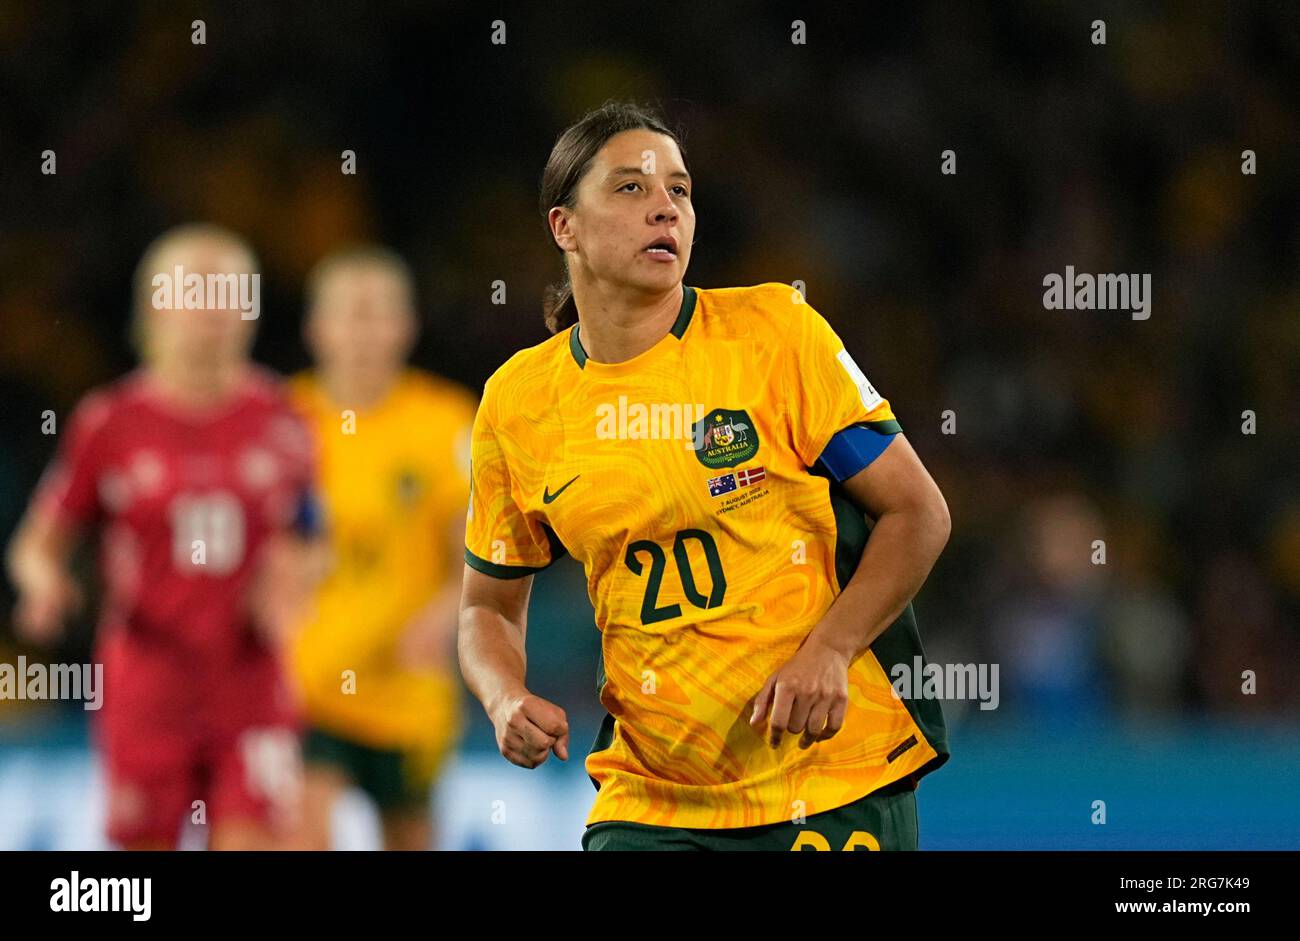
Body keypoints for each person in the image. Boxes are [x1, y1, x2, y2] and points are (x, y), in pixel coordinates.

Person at [458, 101, 953, 851]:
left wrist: (831, 648)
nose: (665, 207)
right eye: (631, 188)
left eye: (680, 190)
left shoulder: (775, 335)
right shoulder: (518, 403)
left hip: (826, 776)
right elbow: (488, 609)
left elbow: (918, 513)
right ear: (565, 227)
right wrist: (503, 697)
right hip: (651, 796)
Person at [6, 223, 319, 850]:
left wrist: (292, 583)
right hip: (147, 681)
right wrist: (44, 586)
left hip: (249, 679)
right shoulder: (110, 423)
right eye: (199, 292)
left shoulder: (283, 419)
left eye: (232, 291)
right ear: (156, 306)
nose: (217, 310)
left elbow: (310, 534)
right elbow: (37, 543)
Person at [286, 246, 475, 850]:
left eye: (378, 314)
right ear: (316, 327)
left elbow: (481, 558)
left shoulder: (446, 424)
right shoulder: (283, 422)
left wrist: (443, 617)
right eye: (350, 314)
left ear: (407, 326)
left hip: (407, 689)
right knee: (303, 832)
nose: (364, 332)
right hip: (306, 685)